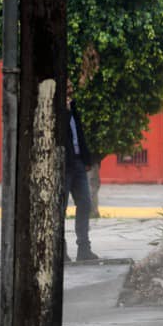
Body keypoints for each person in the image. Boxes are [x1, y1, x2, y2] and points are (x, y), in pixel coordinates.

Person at [65, 99, 98, 262]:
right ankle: (60, 250)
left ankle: (84, 249)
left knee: (85, 203)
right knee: (59, 209)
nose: (70, 95)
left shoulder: (74, 109)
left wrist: (87, 160)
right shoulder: (55, 110)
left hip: (78, 162)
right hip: (63, 164)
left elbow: (80, 135)